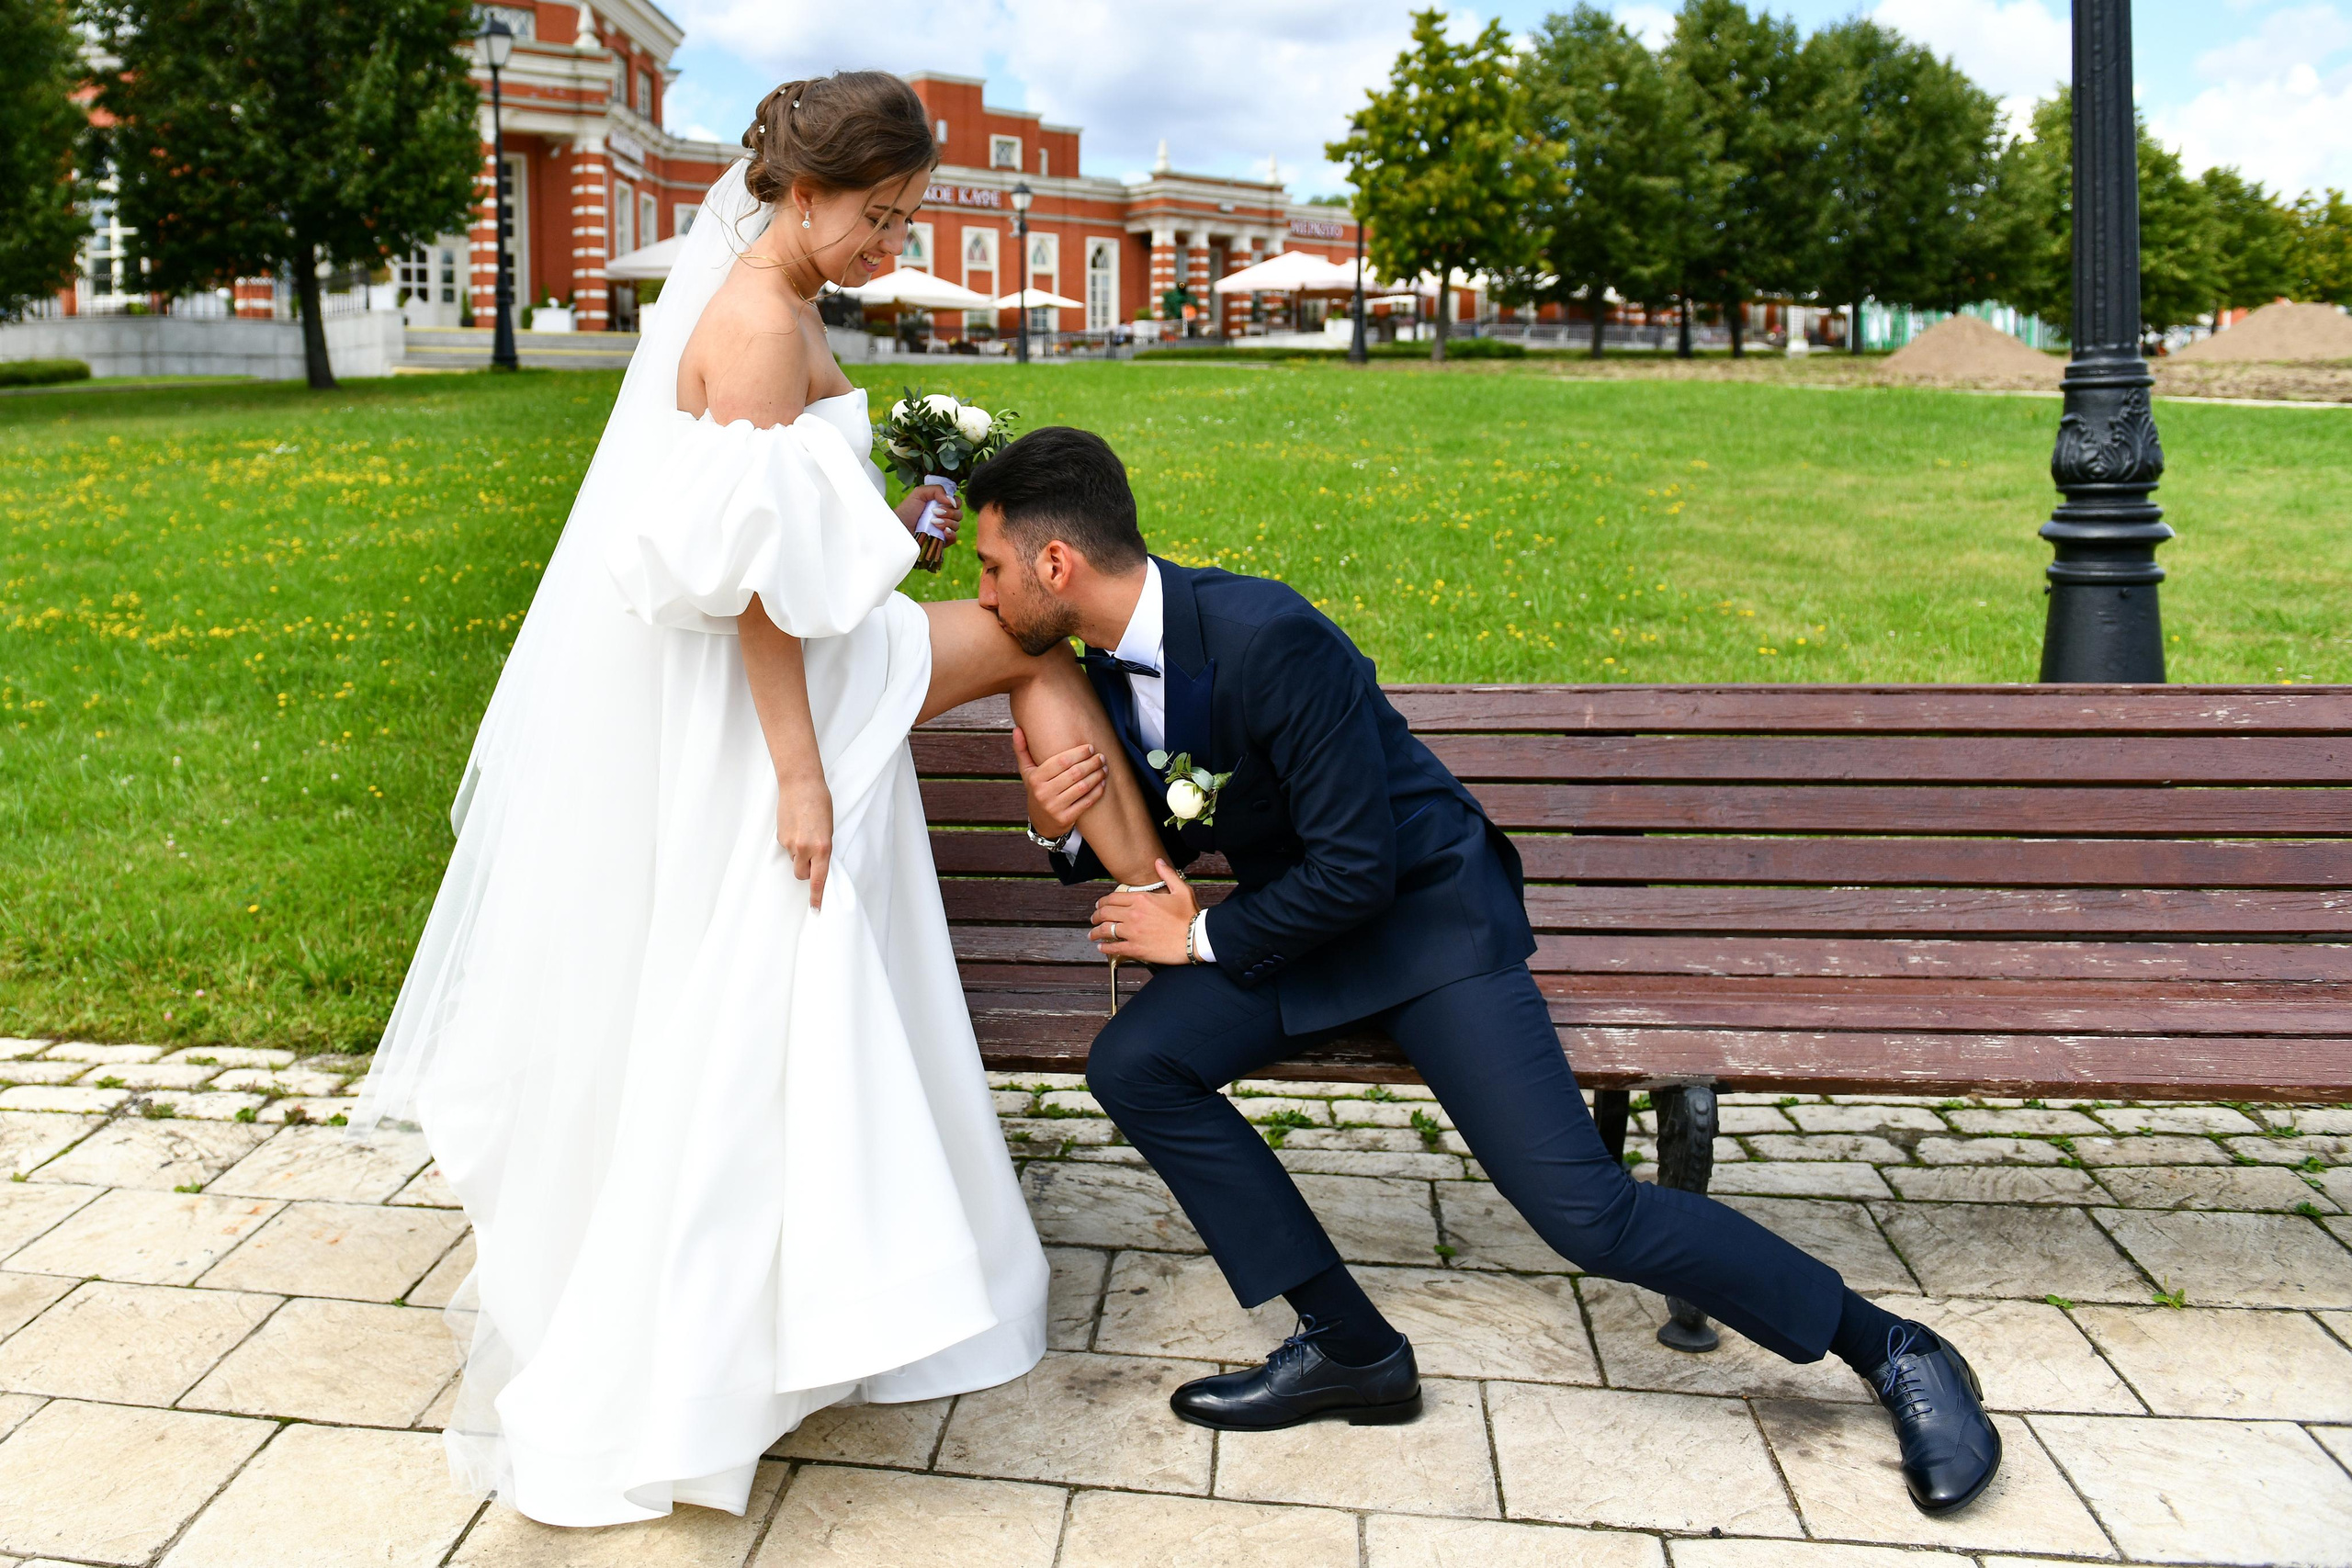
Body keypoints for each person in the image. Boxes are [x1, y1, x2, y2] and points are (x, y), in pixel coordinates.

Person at [352, 75, 1161, 1528]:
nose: (889, 245)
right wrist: (799, 771)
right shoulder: (756, 326)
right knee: (1029, 656)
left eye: (905, 218)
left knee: (1021, 664)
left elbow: (793, 540)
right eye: (878, 216)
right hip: (785, 693)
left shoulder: (777, 300)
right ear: (801, 192)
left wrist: (904, 522)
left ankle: (1125, 887)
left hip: (820, 651)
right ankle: (1153, 899)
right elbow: (752, 593)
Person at [970, 425, 2005, 1517]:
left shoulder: (1270, 635)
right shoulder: (1106, 664)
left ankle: (1892, 1347)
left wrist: (1199, 942)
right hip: (1304, 932)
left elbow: (1360, 867)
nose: (983, 596)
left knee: (1585, 1216)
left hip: (1422, 925)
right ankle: (1350, 1347)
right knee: (1136, 1064)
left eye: (990, 569)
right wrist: (1055, 828)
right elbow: (1174, 825)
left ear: (1055, 563)